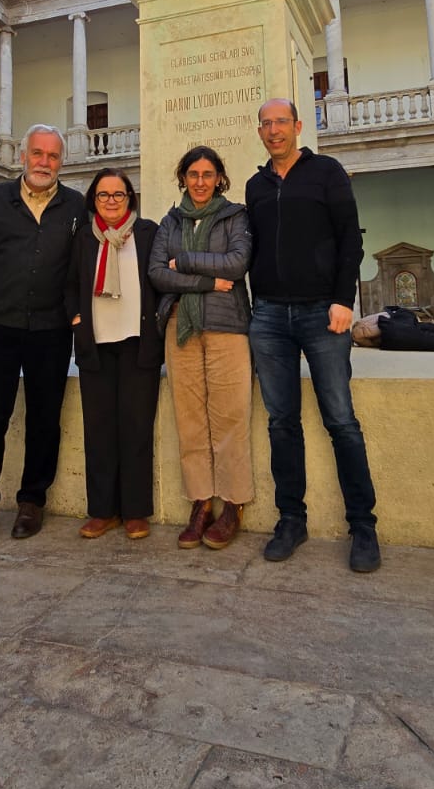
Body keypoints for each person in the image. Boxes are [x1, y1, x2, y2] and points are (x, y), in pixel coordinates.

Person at [245, 99, 380, 574]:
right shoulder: (255, 185)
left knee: (340, 420)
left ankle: (363, 526)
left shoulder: (326, 171)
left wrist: (344, 299)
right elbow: (253, 249)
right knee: (281, 421)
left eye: (282, 122)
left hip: (323, 314)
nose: (274, 130)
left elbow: (350, 238)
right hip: (268, 318)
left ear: (298, 127)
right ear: (259, 131)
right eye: (266, 124)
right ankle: (291, 519)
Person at [0, 125, 85, 546]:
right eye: (37, 153)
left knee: (45, 419)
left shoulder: (75, 206)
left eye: (52, 156)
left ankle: (32, 501)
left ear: (61, 162)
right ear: (23, 156)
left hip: (50, 330)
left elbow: (81, 266)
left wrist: (73, 314)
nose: (44, 162)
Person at [148, 146, 254, 550]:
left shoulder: (235, 216)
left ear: (219, 178)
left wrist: (185, 260)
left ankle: (232, 504)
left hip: (227, 327)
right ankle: (200, 503)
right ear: (183, 178)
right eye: (193, 174)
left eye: (208, 174)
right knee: (189, 420)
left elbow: (237, 263)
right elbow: (158, 273)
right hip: (181, 326)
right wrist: (206, 282)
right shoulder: (169, 221)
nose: (200, 181)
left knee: (229, 419)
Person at [66, 168, 163, 539]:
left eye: (118, 194)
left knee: (137, 428)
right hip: (96, 343)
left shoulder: (148, 233)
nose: (111, 201)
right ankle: (102, 511)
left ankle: (136, 512)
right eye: (103, 195)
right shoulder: (83, 239)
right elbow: (69, 283)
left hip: (139, 342)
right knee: (100, 429)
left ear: (129, 198)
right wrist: (76, 319)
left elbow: (160, 278)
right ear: (94, 199)